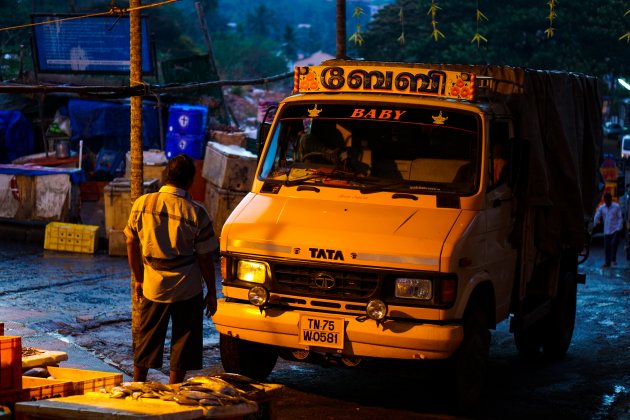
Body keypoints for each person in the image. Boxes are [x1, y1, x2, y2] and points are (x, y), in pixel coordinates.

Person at [124, 154, 218, 384]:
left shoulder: (142, 204)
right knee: (184, 342)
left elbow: (130, 241)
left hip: (153, 286)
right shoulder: (197, 212)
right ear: (190, 181)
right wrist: (213, 292)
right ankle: (174, 392)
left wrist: (139, 277)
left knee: (147, 338)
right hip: (188, 289)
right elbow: (206, 258)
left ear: (166, 175)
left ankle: (137, 387)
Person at [593, 191, 623, 267]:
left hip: (615, 229)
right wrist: (593, 225)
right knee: (606, 246)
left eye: (608, 200)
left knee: (613, 243)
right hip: (606, 230)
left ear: (610, 199)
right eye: (605, 200)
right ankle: (607, 262)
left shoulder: (616, 207)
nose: (607, 201)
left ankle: (613, 260)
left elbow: (620, 218)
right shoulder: (601, 208)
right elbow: (597, 217)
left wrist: (619, 228)